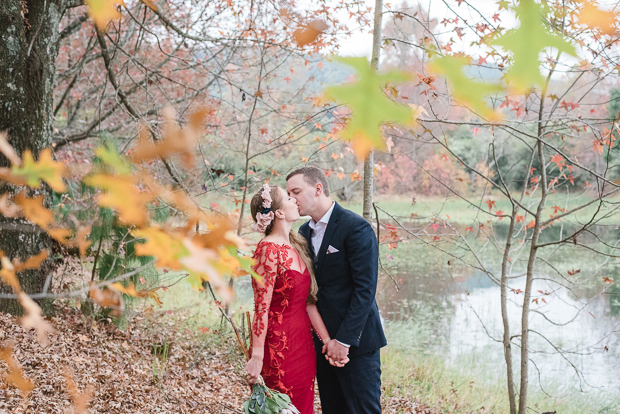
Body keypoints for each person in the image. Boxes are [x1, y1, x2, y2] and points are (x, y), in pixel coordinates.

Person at [286, 167, 387, 414]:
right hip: (322, 344)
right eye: (288, 194)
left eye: (296, 192)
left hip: (357, 343)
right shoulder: (302, 233)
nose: (291, 199)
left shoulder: (356, 228)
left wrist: (343, 341)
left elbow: (365, 291)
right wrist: (327, 341)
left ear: (318, 189)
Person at [245, 183, 343, 414]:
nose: (295, 200)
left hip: (303, 347)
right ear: (278, 212)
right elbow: (261, 307)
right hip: (277, 348)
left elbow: (308, 304)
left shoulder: (297, 245)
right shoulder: (267, 250)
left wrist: (327, 340)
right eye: (288, 199)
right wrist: (257, 356)